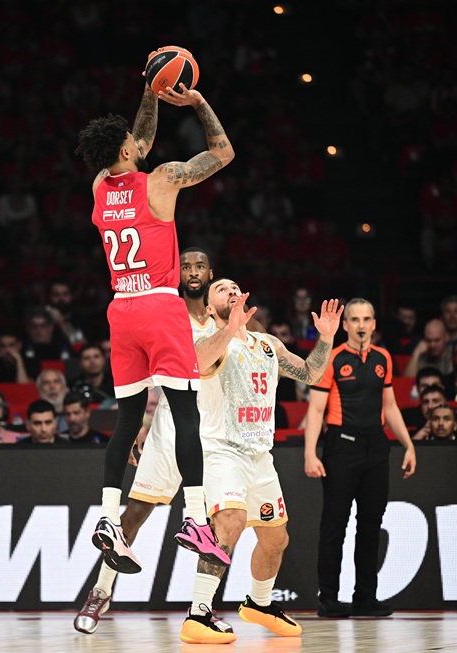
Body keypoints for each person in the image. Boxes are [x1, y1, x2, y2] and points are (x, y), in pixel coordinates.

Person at [74, 66, 236, 579]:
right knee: (186, 413)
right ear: (128, 150)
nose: (138, 142)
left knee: (126, 419)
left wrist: (150, 91)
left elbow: (137, 139)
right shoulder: (162, 180)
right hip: (161, 307)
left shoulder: (100, 185)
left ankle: (108, 518)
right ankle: (196, 520)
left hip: (121, 309)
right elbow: (223, 153)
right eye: (132, 141)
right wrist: (198, 103)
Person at [75, 246, 232, 634]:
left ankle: (201, 608)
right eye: (185, 266)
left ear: (211, 274)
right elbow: (146, 377)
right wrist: (140, 426)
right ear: (173, 273)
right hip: (168, 430)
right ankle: (100, 593)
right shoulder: (164, 312)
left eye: (200, 266)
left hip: (217, 434)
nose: (192, 272)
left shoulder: (229, 317)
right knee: (133, 515)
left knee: (225, 523)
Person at [177, 279, 339, 644]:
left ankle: (259, 604)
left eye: (234, 286)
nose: (231, 290)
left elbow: (311, 373)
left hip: (260, 456)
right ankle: (197, 614)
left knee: (276, 539)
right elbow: (198, 364)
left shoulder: (268, 344)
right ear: (208, 308)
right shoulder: (207, 341)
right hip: (222, 452)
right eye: (221, 289)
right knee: (230, 524)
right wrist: (230, 328)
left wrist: (326, 338)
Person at [304, 298, 417, 619]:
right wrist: (310, 453)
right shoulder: (332, 357)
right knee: (335, 525)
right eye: (355, 319)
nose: (361, 325)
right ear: (345, 325)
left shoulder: (383, 357)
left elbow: (390, 406)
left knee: (371, 525)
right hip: (342, 446)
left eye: (367, 319)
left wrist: (408, 445)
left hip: (376, 447)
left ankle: (365, 597)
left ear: (374, 324)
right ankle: (328, 598)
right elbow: (316, 410)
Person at [69, 342, 115, 407]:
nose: (92, 361)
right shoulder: (74, 385)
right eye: (86, 358)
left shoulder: (115, 383)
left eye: (96, 356)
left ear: (104, 359)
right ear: (80, 363)